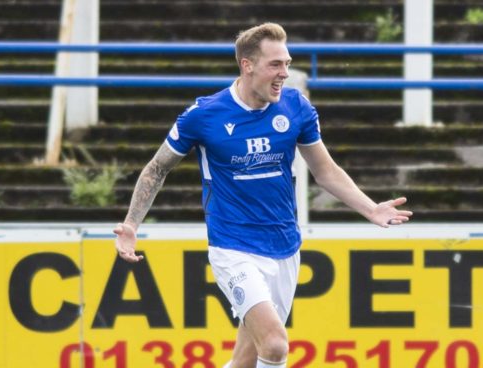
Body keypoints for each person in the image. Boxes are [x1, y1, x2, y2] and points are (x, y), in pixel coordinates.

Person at [114, 22, 412, 368]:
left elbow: (324, 170)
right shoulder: (205, 115)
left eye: (287, 63)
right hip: (233, 247)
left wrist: (370, 209)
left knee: (245, 359)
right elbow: (156, 168)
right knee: (274, 345)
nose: (284, 73)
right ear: (247, 65)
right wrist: (131, 224)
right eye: (276, 65)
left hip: (285, 247)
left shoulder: (295, 107)